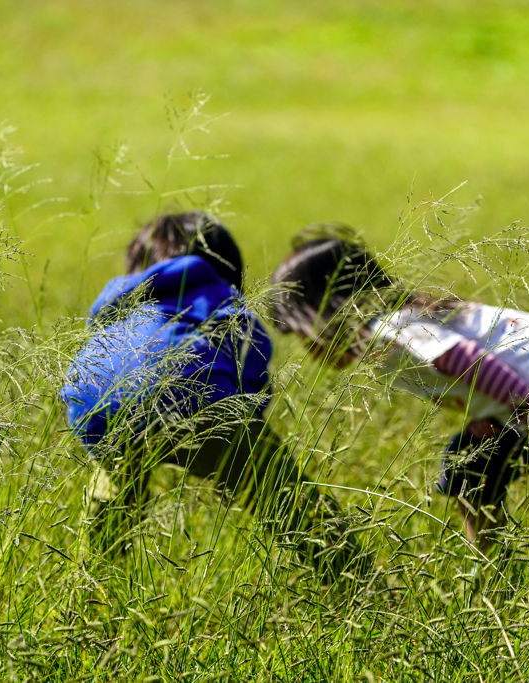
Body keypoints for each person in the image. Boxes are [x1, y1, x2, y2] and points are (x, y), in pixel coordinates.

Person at [269, 225, 529, 587]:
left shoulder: (388, 331)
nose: (308, 350)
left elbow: (465, 359)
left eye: (303, 335)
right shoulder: (396, 325)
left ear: (328, 312)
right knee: (467, 469)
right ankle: (498, 579)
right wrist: (489, 417)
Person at [61, 212, 366, 582]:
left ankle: (93, 583)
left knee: (111, 489)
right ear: (227, 267)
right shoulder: (216, 293)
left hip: (100, 408)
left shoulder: (119, 298)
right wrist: (245, 434)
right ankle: (351, 574)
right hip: (196, 402)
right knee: (284, 493)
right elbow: (251, 362)